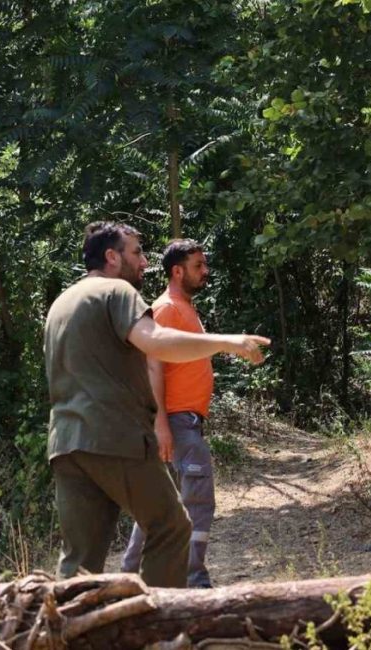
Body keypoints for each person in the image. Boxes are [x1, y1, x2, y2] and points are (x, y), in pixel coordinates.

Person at [43, 222, 269, 588]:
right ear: (112, 257)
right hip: (115, 437)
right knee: (171, 526)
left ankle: (68, 622)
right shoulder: (116, 291)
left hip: (66, 444)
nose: (145, 262)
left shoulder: (61, 304)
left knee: (79, 561)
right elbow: (156, 342)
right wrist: (228, 342)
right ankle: (157, 620)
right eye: (136, 253)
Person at [120, 239, 217, 588]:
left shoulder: (184, 308)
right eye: (197, 266)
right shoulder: (166, 309)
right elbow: (152, 366)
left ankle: (128, 580)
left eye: (204, 264)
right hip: (177, 422)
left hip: (184, 421)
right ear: (177, 271)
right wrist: (161, 422)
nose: (205, 271)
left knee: (158, 508)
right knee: (199, 501)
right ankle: (193, 580)